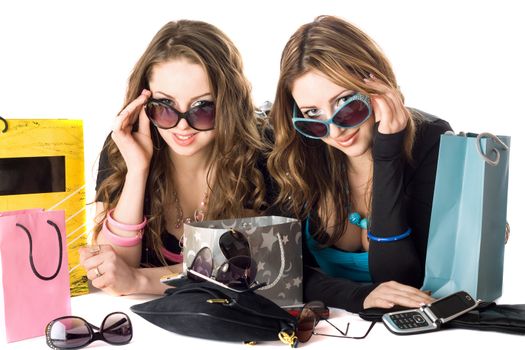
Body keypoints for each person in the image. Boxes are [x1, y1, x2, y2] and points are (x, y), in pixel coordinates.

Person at [267, 15, 452, 312]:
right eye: (312, 113)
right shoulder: (298, 149)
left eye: (345, 104)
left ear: (376, 84)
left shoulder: (431, 140)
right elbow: (279, 271)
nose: (335, 129)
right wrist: (356, 297)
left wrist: (387, 152)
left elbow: (399, 279)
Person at [79, 20, 271, 296]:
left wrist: (141, 281)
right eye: (165, 107)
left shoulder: (259, 151)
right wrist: (137, 169)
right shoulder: (124, 146)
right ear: (145, 103)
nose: (183, 125)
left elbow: (256, 267)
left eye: (202, 108)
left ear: (228, 103)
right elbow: (112, 271)